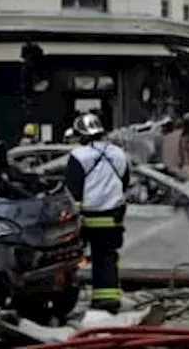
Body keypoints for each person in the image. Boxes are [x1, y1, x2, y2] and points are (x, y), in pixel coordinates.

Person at [64, 113, 130, 314]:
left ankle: (66, 301)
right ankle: (108, 301)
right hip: (112, 218)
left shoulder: (78, 156)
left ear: (82, 135)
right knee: (107, 258)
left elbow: (72, 190)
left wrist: (72, 218)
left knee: (69, 260)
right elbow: (124, 182)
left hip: (86, 219)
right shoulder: (119, 154)